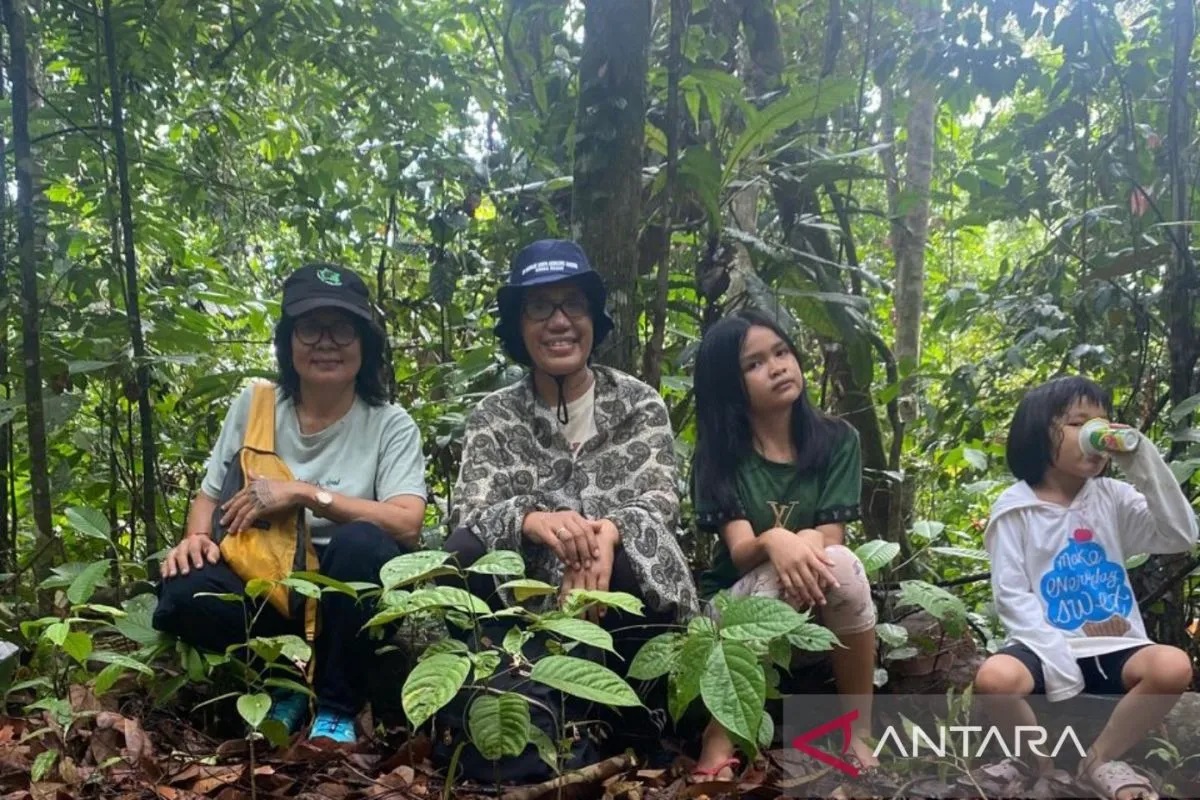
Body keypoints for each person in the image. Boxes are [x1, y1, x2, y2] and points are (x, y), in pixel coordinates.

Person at [153, 263, 428, 745]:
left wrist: (302, 493)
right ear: (288, 341)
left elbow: (407, 523)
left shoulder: (390, 423)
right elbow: (209, 494)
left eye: (342, 329)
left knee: (360, 544)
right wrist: (195, 538)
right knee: (181, 589)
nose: (326, 343)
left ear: (365, 343)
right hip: (268, 581)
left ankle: (336, 705)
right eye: (310, 328)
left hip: (348, 591)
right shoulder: (255, 404)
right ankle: (283, 681)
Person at [445, 239, 699, 659]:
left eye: (574, 305)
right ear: (519, 326)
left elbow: (661, 500)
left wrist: (609, 534)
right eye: (540, 307)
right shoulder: (493, 415)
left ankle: (637, 691)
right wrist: (534, 520)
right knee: (463, 550)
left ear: (593, 318)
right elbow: (471, 513)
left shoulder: (639, 403)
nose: (559, 321)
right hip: (525, 604)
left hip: (619, 597)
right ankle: (502, 671)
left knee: (633, 552)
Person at [973, 376, 1197, 800]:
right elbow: (1012, 595)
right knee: (995, 678)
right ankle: (1041, 768)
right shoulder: (1016, 508)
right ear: (1039, 433)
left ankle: (1098, 762)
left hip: (1114, 642)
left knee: (1172, 666)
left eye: (1102, 423)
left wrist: (1141, 459)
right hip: (1043, 645)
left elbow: (1179, 535)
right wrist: (1058, 661)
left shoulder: (1112, 497)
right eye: (1078, 423)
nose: (1095, 433)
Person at [690, 309, 877, 780]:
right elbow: (740, 552)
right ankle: (719, 735)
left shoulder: (837, 440)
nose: (776, 367)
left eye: (781, 352)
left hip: (813, 598)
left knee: (842, 563)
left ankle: (859, 732)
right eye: (754, 364)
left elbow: (832, 540)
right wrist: (776, 538)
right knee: (780, 572)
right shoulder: (719, 455)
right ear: (729, 386)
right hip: (730, 612)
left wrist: (806, 540)